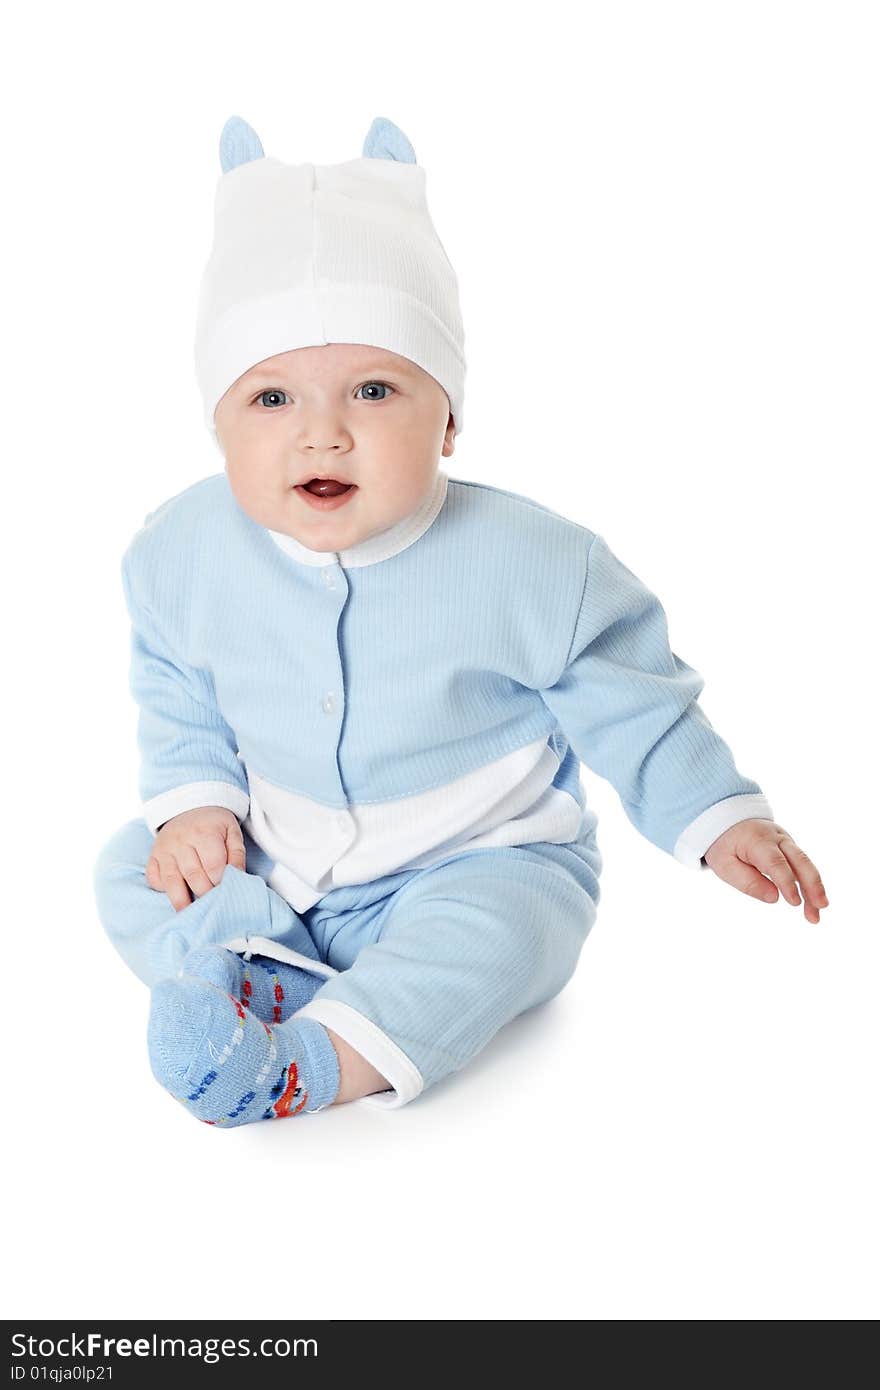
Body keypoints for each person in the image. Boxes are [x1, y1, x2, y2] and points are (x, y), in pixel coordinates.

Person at [92, 114, 829, 1128]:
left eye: (374, 388)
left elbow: (633, 701)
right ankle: (255, 964)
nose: (323, 429)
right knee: (130, 867)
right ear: (215, 422)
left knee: (505, 931)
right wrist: (196, 806)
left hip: (474, 858)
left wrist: (720, 818)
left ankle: (302, 1062)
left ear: (447, 419)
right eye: (269, 397)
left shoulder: (531, 564)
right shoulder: (182, 549)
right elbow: (174, 679)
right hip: (280, 853)